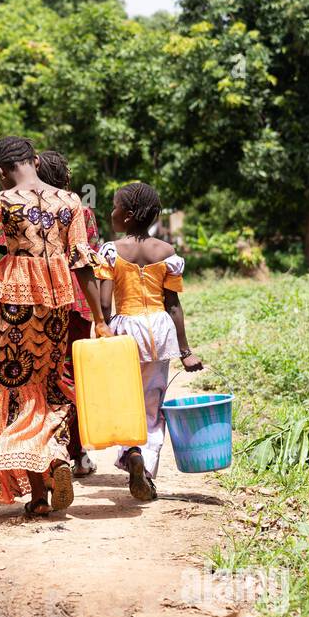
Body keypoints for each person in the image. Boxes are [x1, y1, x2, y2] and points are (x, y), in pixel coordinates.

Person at [0, 136, 109, 517]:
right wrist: (100, 320)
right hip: (57, 305)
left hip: (16, 305)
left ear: (1, 170)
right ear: (35, 159)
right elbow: (83, 262)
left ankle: (37, 494)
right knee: (50, 387)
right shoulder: (71, 202)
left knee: (16, 389)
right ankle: (54, 458)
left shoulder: (2, 201)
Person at [91, 182, 203, 501]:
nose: (110, 212)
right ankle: (147, 466)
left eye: (114, 207)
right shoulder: (167, 253)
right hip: (160, 329)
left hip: (125, 330)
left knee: (126, 399)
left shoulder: (111, 251)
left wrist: (103, 330)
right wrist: (186, 352)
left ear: (125, 216)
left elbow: (104, 301)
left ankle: (132, 452)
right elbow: (173, 305)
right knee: (153, 403)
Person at [33, 150, 102, 478]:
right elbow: (93, 260)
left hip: (42, 301)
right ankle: (77, 451)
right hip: (78, 303)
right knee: (72, 375)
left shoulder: (28, 209)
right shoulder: (81, 209)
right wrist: (103, 315)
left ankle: (51, 452)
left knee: (45, 376)